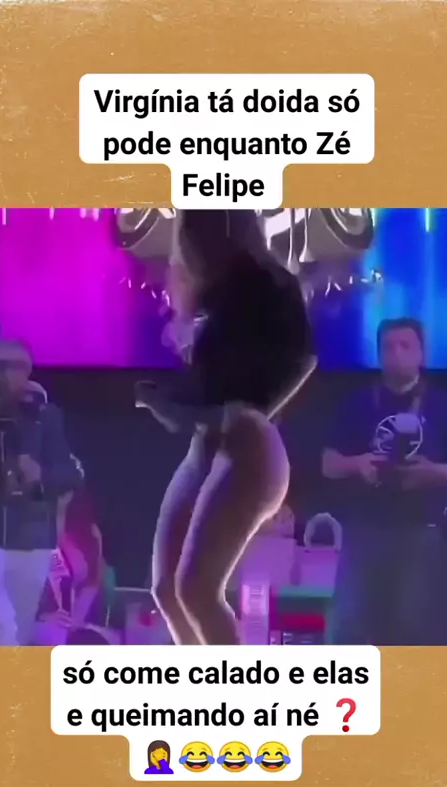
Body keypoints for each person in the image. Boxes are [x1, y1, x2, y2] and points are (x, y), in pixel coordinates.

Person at [135, 210, 317, 645]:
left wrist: (254, 410)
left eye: (189, 232)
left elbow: (303, 358)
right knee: (168, 589)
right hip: (206, 444)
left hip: (246, 446)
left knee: (196, 590)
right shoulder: (209, 292)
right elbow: (208, 385)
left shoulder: (269, 285)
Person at [322, 317, 447, 645]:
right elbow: (328, 464)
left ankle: (411, 682)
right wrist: (358, 464)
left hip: (425, 533)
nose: (397, 354)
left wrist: (435, 473)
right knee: (350, 628)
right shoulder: (356, 404)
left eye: (405, 346)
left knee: (417, 629)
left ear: (422, 353)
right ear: (379, 354)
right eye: (388, 347)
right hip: (365, 531)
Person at [0, 340, 82, 645]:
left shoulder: (44, 416)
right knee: (0, 627)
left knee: (16, 632)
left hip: (31, 540)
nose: (9, 374)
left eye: (20, 367)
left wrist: (40, 477)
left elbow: (70, 474)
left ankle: (6, 678)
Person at [34, 485, 106, 644]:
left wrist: (76, 620)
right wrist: (43, 616)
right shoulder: (38, 532)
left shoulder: (90, 533)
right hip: (40, 618)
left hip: (76, 621)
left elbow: (92, 581)